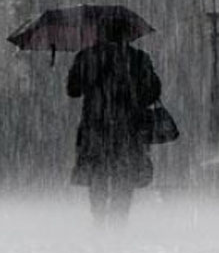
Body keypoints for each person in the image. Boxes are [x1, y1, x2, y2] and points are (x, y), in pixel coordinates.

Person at [66, 21, 161, 224]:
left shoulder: (87, 57)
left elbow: (72, 90)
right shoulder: (138, 59)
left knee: (97, 176)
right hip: (128, 128)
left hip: (95, 127)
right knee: (124, 178)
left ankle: (99, 220)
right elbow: (153, 93)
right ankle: (119, 222)